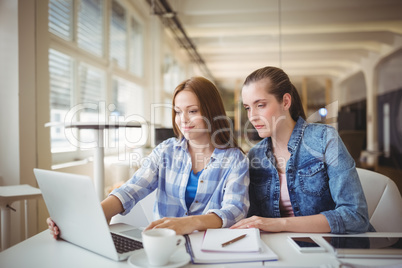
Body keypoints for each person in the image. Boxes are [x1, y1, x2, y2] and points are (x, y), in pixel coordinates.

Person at [47, 76, 249, 238]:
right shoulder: (166, 151)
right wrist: (87, 215)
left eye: (193, 111)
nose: (183, 120)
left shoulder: (234, 160)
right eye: (178, 112)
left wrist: (190, 223)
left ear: (212, 113)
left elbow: (235, 209)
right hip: (163, 246)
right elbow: (131, 189)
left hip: (210, 249)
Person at [231, 66, 372, 234]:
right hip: (283, 251)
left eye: (260, 105)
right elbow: (255, 220)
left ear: (285, 102)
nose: (252, 116)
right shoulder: (255, 155)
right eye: (247, 108)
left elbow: (356, 216)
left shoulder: (325, 139)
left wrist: (282, 224)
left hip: (336, 249)